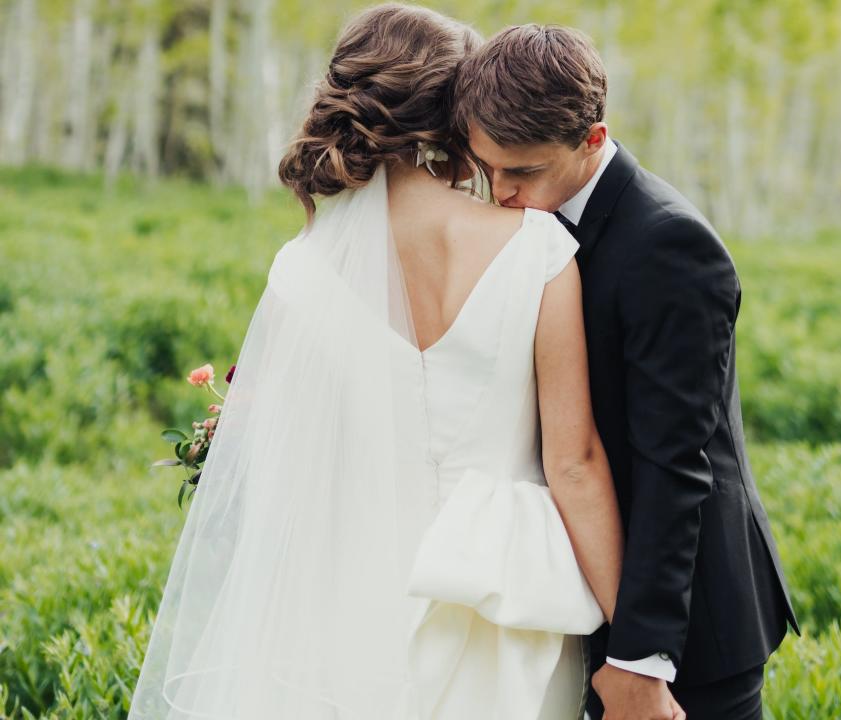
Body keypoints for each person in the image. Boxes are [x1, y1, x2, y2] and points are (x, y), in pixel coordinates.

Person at [127, 5, 623, 719]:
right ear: (463, 113)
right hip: (504, 604)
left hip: (347, 601)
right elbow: (574, 465)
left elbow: (273, 457)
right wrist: (638, 649)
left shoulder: (301, 272)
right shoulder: (536, 250)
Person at [454, 24, 800, 720]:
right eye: (486, 169)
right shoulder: (523, 224)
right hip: (573, 598)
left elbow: (677, 465)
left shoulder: (669, 245)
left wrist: (639, 658)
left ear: (592, 139)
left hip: (686, 631)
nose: (501, 193)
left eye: (521, 173)